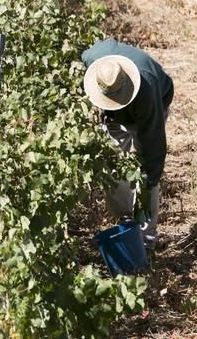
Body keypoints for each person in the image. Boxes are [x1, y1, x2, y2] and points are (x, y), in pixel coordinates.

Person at [82, 39, 174, 250]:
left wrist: (150, 178)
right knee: (113, 163)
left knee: (146, 173)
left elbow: (153, 144)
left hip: (155, 101)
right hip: (113, 115)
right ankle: (125, 222)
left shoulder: (147, 92)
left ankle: (146, 237)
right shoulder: (91, 60)